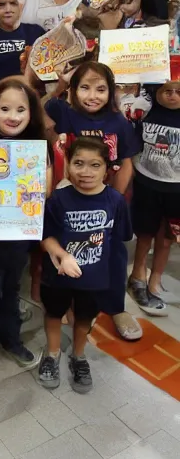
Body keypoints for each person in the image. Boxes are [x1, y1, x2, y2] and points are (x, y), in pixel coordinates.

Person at [45, 62, 142, 341]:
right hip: (70, 204)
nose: (92, 95)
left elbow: (125, 165)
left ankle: (116, 307)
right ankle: (70, 303)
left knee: (112, 254)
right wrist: (60, 85)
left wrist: (115, 200)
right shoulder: (63, 112)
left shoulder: (119, 123)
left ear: (111, 92)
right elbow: (36, 106)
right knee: (69, 252)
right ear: (74, 90)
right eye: (84, 87)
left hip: (107, 206)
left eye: (101, 89)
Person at [39, 137, 132, 393]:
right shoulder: (57, 200)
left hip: (95, 279)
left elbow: (119, 241)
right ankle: (52, 353)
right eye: (78, 163)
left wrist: (114, 279)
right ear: (68, 165)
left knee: (84, 319)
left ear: (107, 169)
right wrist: (62, 254)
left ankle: (78, 356)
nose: (86, 171)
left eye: (94, 165)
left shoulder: (115, 201)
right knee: (54, 314)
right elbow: (45, 238)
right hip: (57, 276)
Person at [0, 77, 52, 366]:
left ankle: (12, 339)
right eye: (4, 108)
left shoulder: (36, 149)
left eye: (21, 110)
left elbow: (45, 192)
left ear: (31, 114)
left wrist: (32, 176)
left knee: (11, 290)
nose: (13, 116)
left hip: (19, 238)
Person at [128, 79, 180, 316]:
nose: (173, 96)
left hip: (176, 187)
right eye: (167, 91)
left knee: (168, 236)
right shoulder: (144, 112)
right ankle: (138, 275)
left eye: (179, 92)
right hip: (146, 181)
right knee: (145, 233)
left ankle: (155, 280)